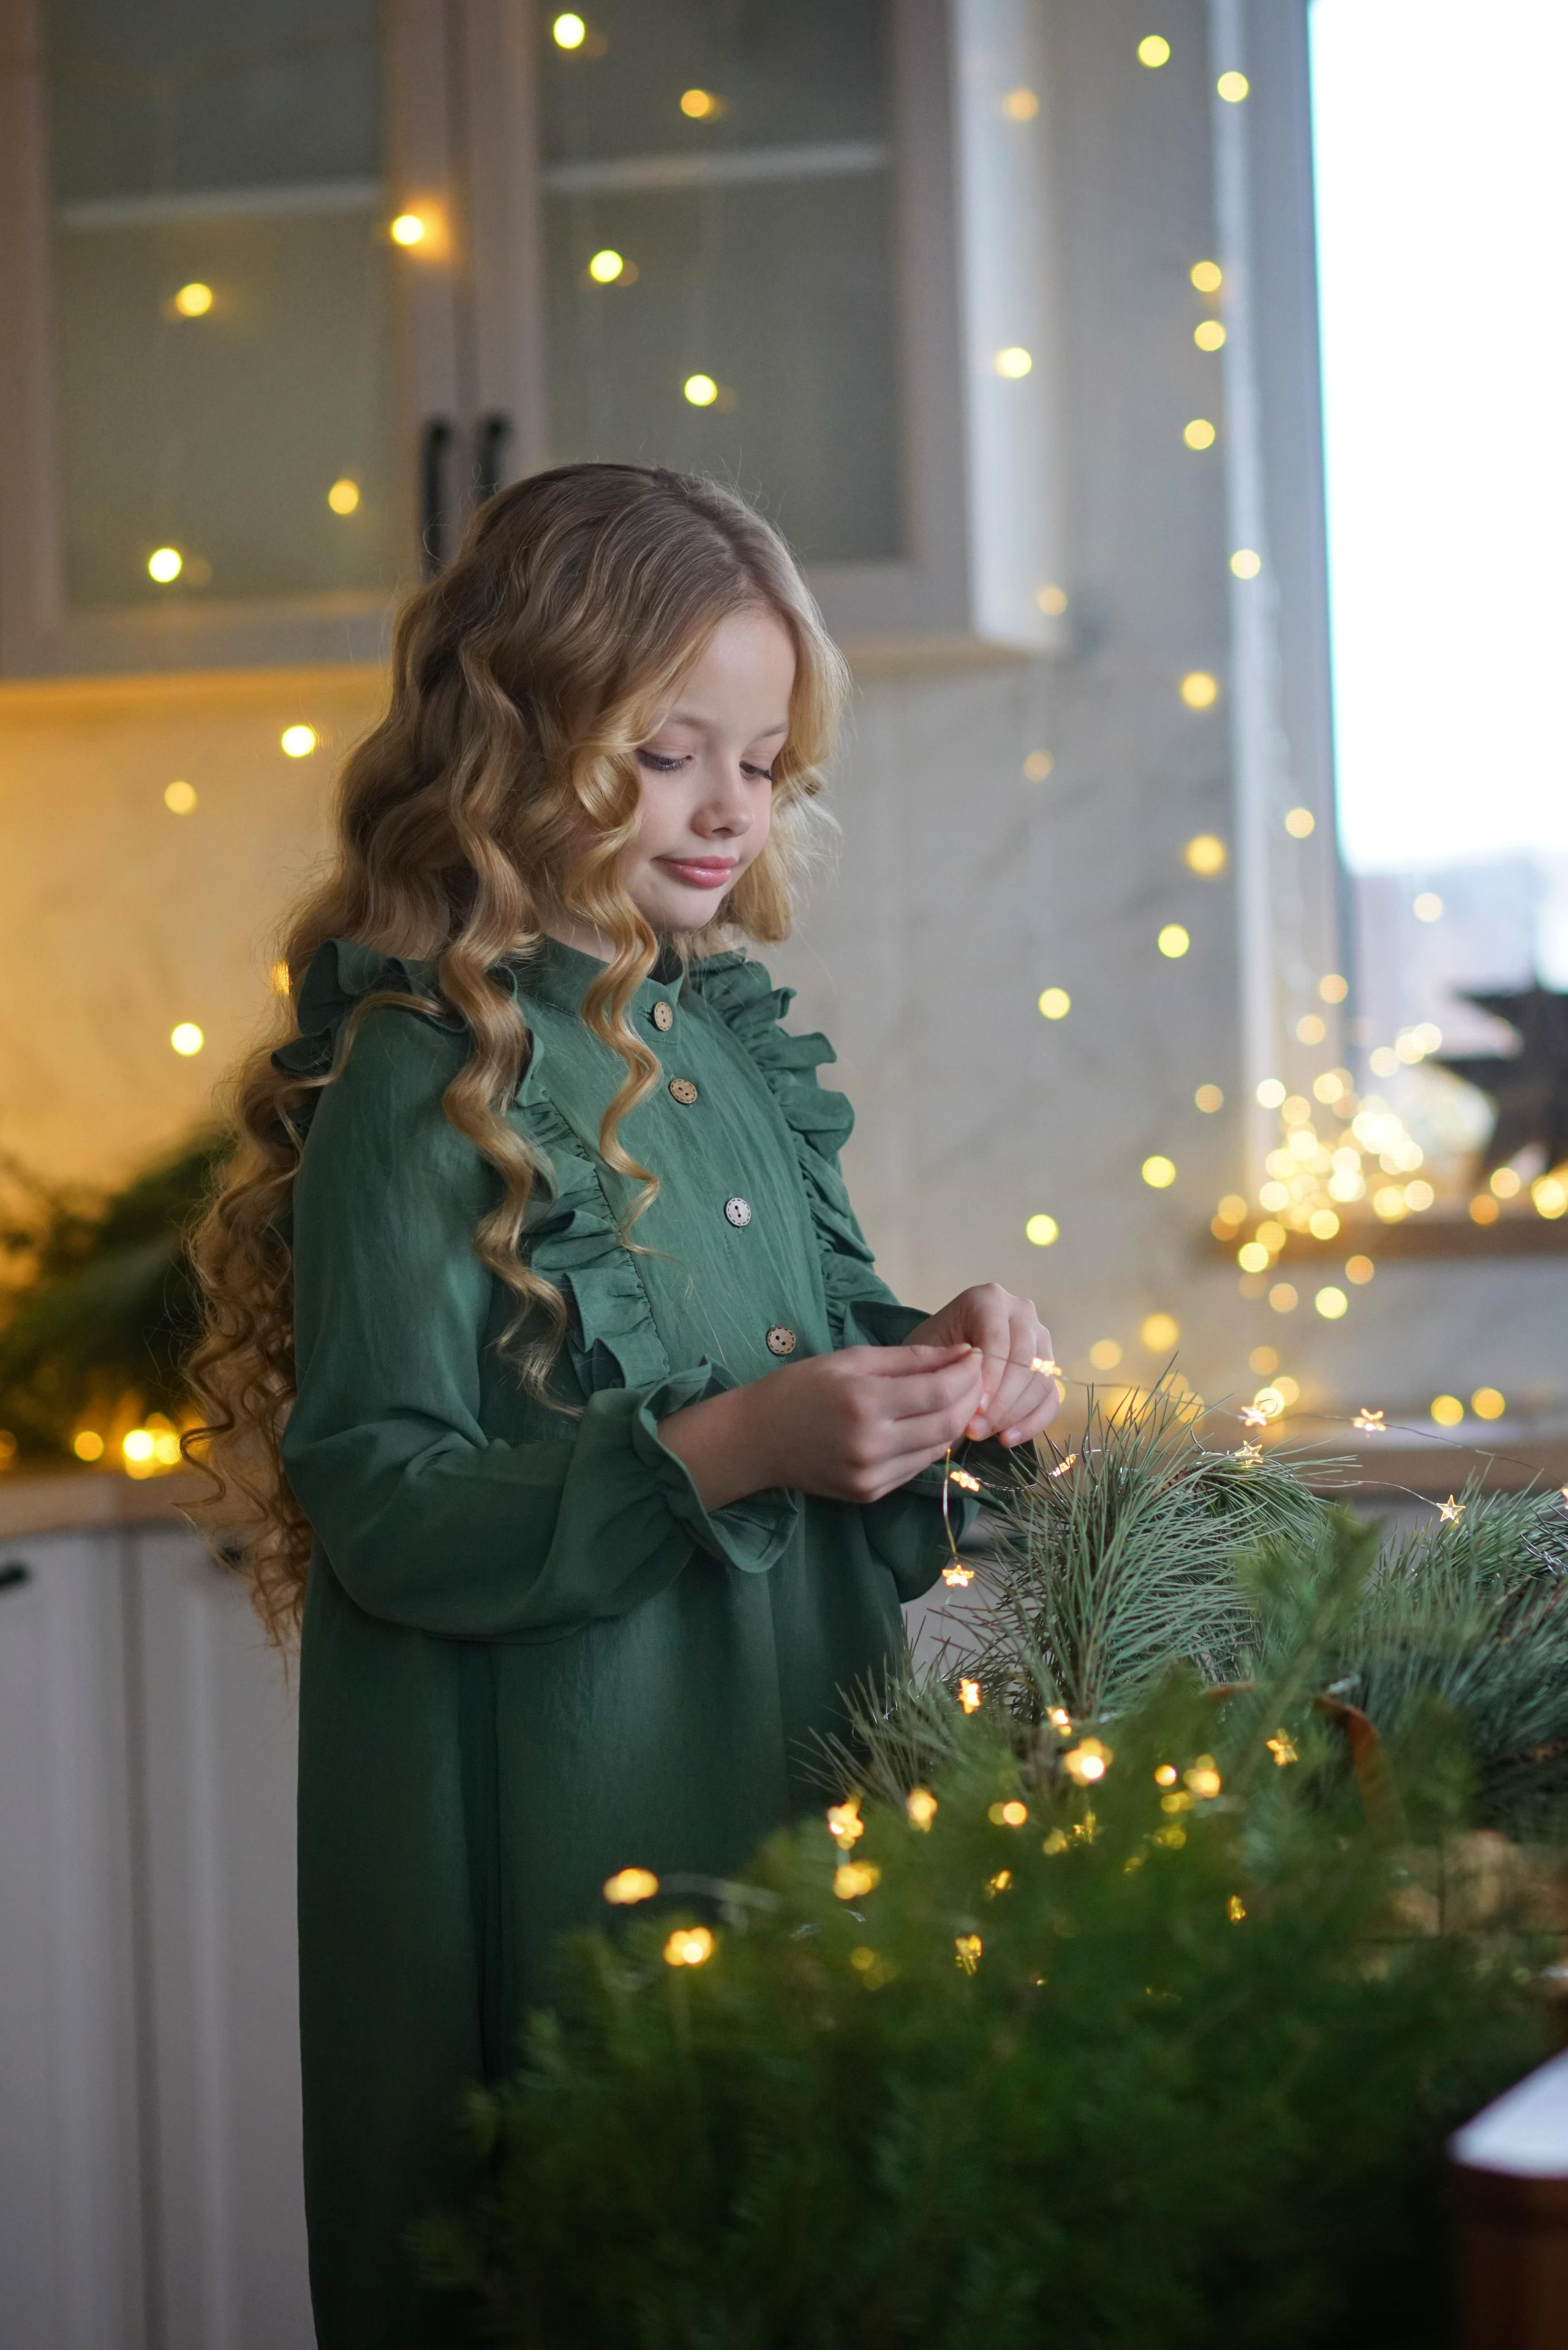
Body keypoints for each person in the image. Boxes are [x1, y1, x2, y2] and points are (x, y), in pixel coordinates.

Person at [188, 462, 1061, 2348]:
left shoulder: (728, 1044)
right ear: (515, 736)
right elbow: (389, 1503)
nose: (729, 806)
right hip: (553, 1827)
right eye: (670, 753)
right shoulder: (414, 1088)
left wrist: (950, 1360)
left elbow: (803, 1351)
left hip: (785, 1787)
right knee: (600, 2250)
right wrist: (745, 1444)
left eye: (763, 761)